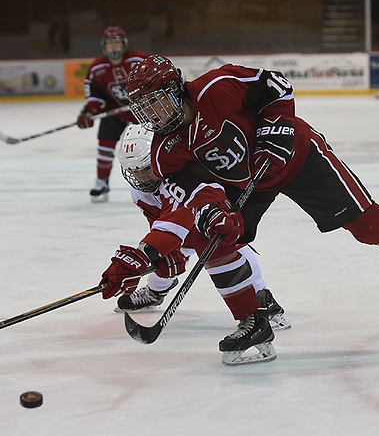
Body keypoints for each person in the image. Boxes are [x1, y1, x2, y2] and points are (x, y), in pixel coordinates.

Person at [105, 54, 379, 364]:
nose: (153, 115)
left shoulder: (217, 86)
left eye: (157, 101)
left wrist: (276, 127)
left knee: (368, 227)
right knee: (213, 239)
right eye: (144, 109)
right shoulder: (164, 152)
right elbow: (197, 192)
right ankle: (254, 324)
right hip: (246, 181)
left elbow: (276, 85)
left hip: (296, 157)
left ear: (176, 89)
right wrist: (215, 212)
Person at [99, 124, 290, 364]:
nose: (141, 178)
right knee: (163, 263)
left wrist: (148, 251)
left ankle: (262, 299)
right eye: (134, 172)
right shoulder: (140, 192)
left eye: (146, 170)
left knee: (232, 248)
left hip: (207, 222)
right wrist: (163, 254)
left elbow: (177, 218)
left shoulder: (177, 178)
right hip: (175, 231)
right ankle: (156, 293)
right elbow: (157, 220)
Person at [76, 26, 149, 202]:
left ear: (124, 44)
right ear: (104, 46)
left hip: (143, 113)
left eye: (117, 44)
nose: (114, 48)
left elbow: (156, 81)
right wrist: (89, 112)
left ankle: (155, 181)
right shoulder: (97, 68)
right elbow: (95, 95)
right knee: (105, 145)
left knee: (152, 147)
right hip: (115, 112)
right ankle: (102, 182)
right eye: (110, 45)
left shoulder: (140, 60)